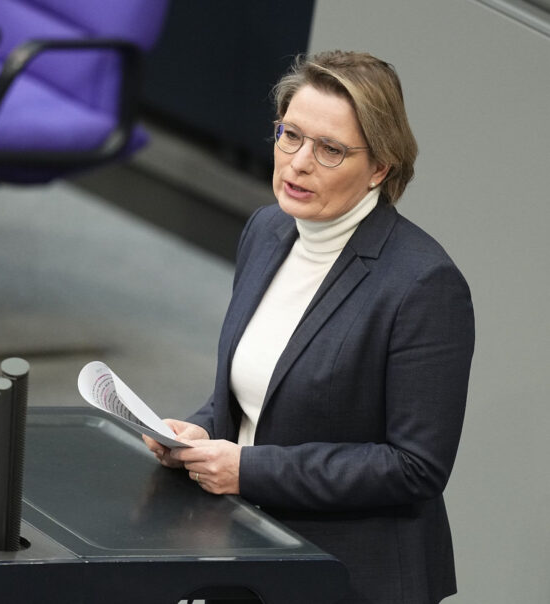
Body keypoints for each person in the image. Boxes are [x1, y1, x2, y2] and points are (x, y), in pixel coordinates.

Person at [143, 50, 475, 604]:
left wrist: (250, 470)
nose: (297, 163)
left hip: (347, 575)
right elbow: (260, 391)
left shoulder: (423, 285)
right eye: (290, 135)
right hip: (247, 543)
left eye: (329, 150)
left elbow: (415, 467)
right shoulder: (268, 229)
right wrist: (203, 430)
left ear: (379, 168)